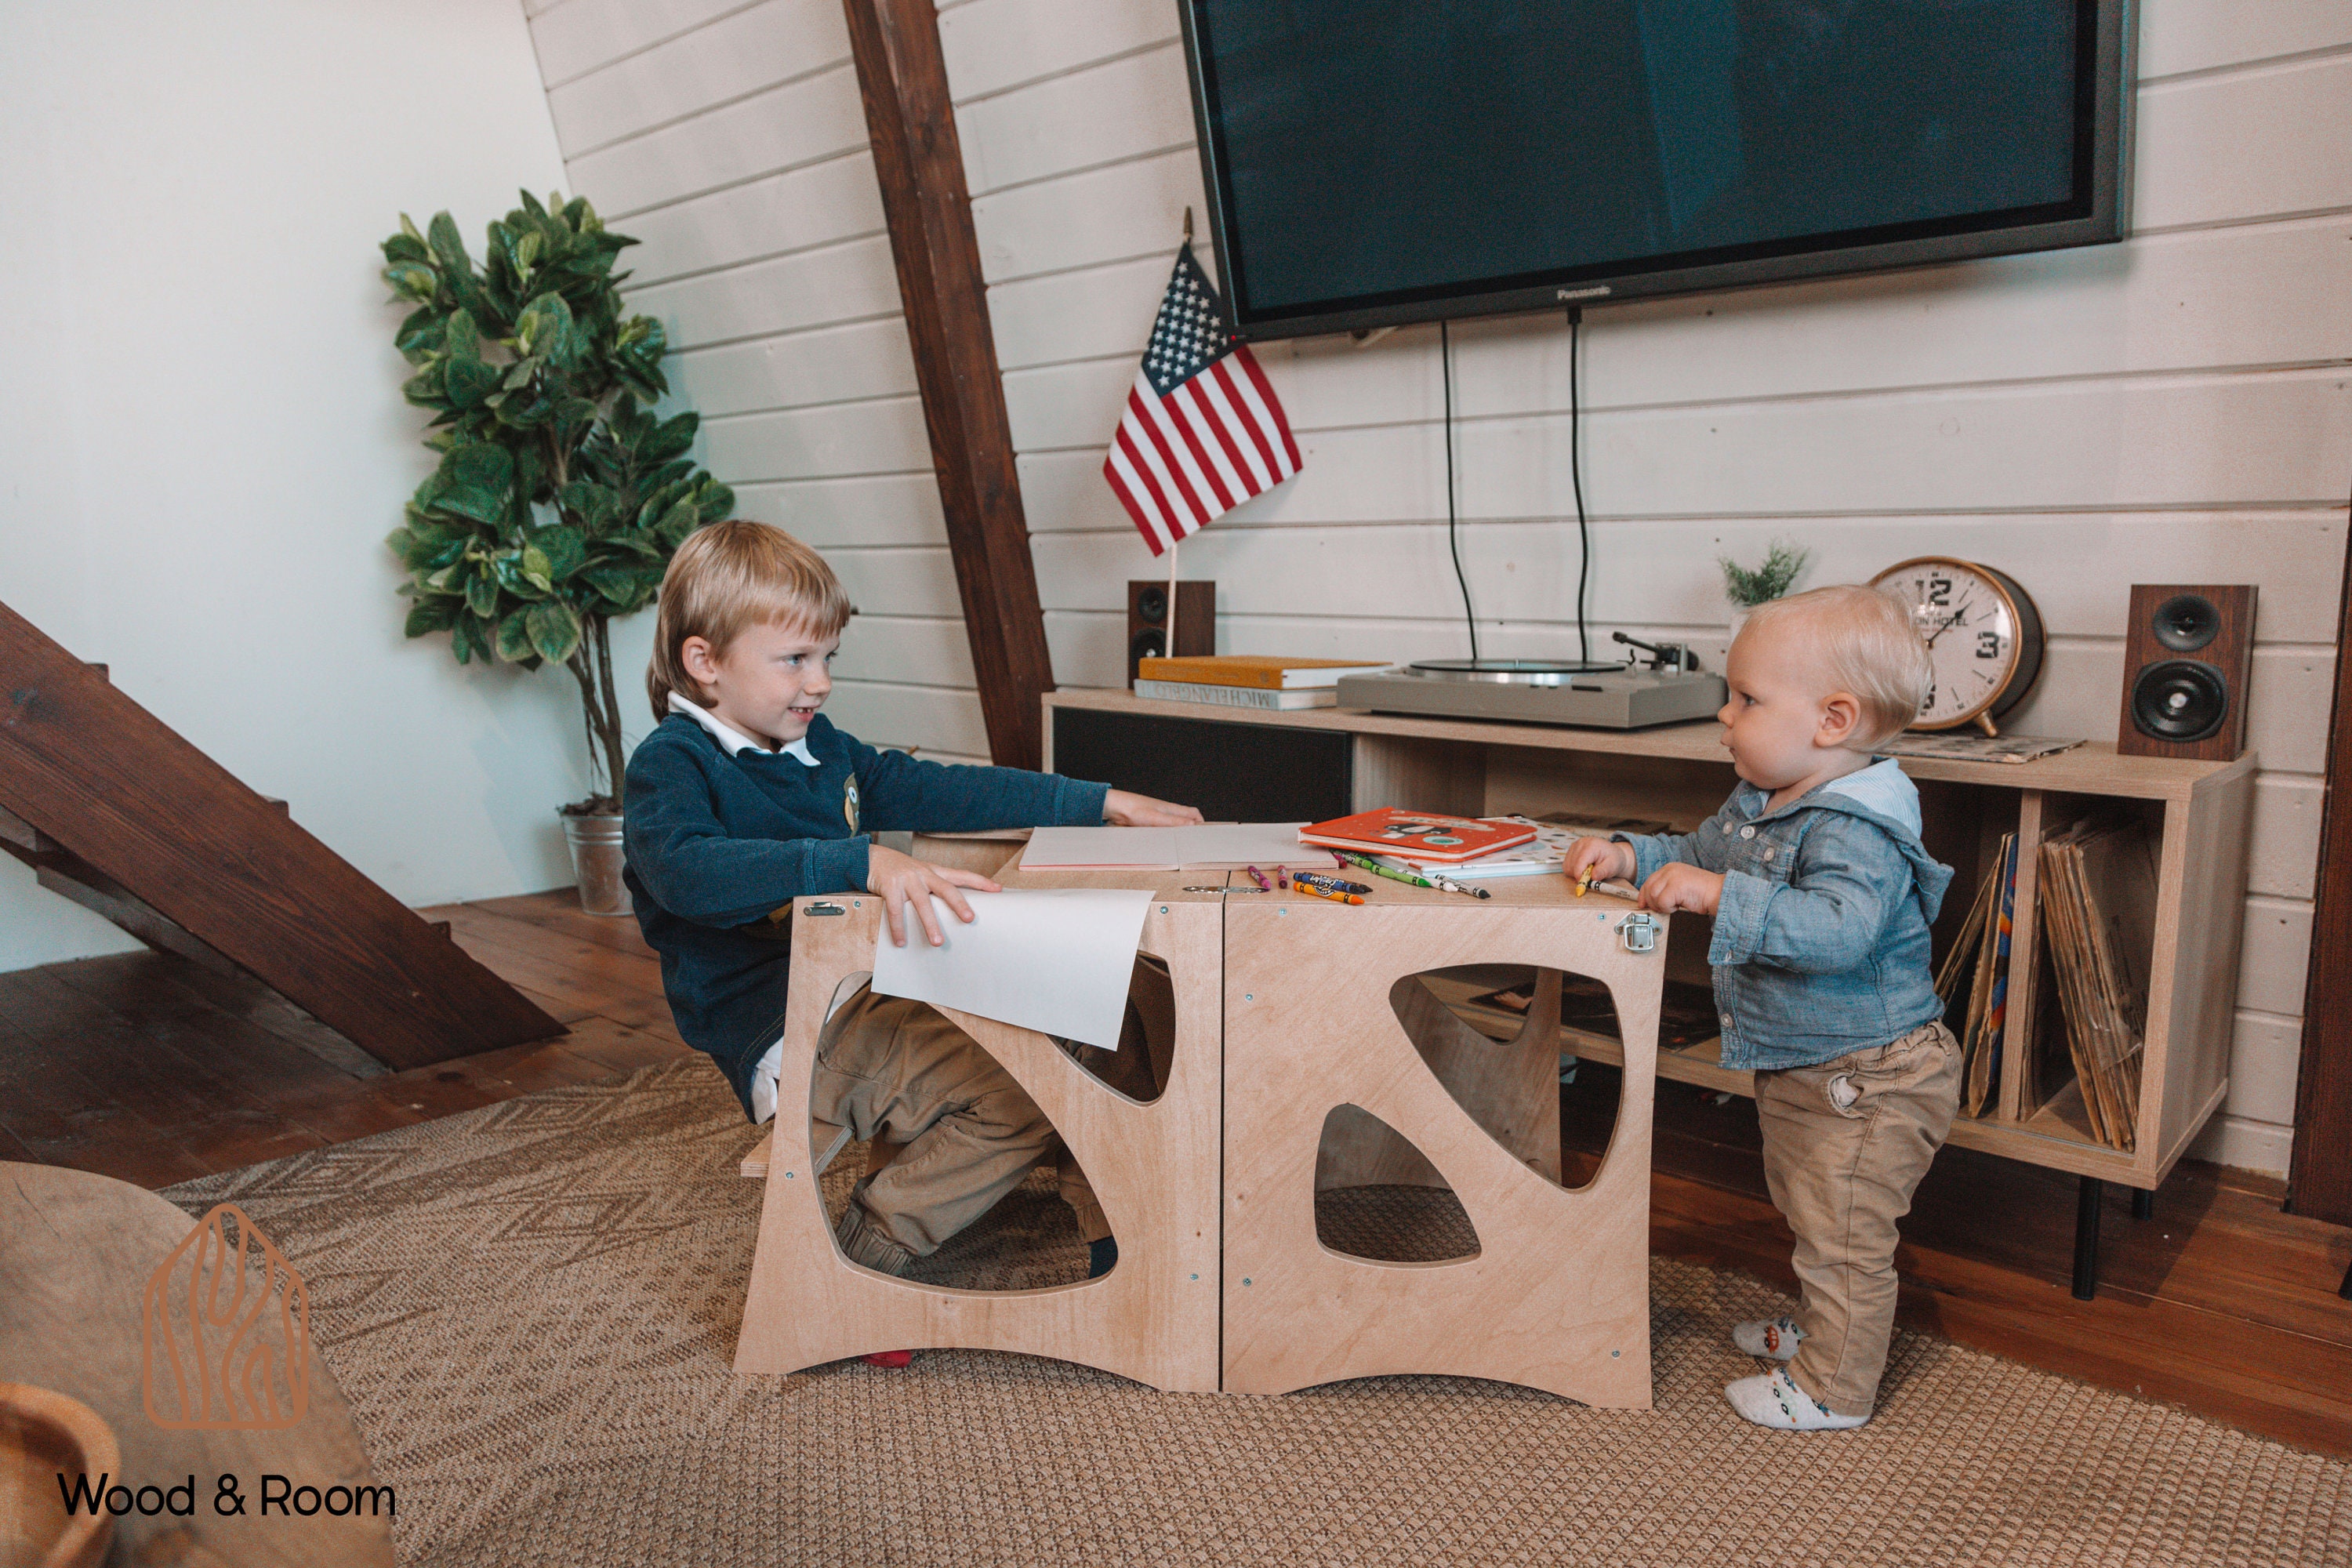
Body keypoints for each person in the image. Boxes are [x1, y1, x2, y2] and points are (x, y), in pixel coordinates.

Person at [622, 520, 1200, 1327]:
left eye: (828, 658)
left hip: (874, 982)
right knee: (1030, 1090)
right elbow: (687, 873)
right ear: (704, 660)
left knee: (1102, 1003)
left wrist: (1096, 801)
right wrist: (855, 860)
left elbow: (935, 788)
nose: (819, 682)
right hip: (798, 1028)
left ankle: (1112, 1222)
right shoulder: (672, 766)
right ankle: (873, 1248)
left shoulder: (817, 745)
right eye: (794, 659)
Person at [1562, 584, 1957, 1431]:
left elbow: (1839, 930)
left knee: (1844, 1236)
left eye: (1746, 699)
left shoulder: (1858, 831)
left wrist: (1717, 895)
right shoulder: (1759, 804)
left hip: (1869, 1075)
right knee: (1813, 1206)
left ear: (1833, 719)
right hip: (1812, 1067)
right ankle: (1826, 1335)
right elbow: (1694, 851)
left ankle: (1832, 1389)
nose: (1725, 718)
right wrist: (1632, 854)